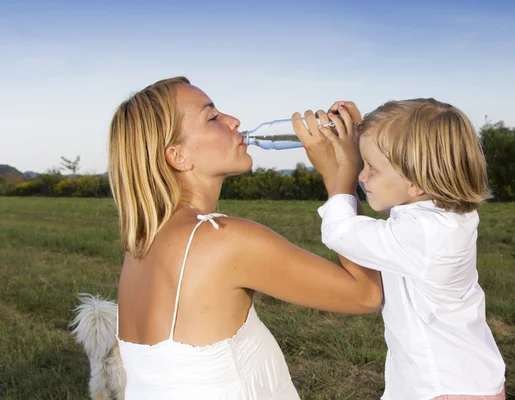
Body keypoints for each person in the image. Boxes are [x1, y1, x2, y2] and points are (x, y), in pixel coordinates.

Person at [73, 76, 382, 400]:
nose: (234, 121)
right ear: (177, 156)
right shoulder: (224, 241)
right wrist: (339, 173)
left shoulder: (141, 247)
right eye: (213, 117)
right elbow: (365, 293)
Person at [293, 99, 506, 400]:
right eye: (363, 165)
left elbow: (340, 231)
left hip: (442, 389)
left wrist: (343, 169)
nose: (363, 176)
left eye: (372, 168)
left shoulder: (424, 234)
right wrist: (357, 140)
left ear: (417, 181)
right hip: (466, 380)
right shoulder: (444, 218)